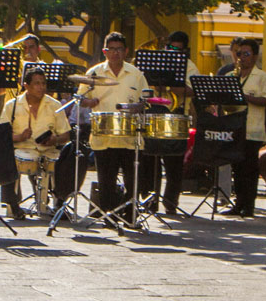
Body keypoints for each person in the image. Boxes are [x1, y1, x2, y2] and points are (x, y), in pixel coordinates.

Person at [79, 32, 150, 217]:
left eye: (119, 49)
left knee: (133, 179)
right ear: (105, 51)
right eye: (111, 49)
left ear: (126, 51)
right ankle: (108, 215)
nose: (115, 53)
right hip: (104, 135)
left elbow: (147, 100)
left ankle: (130, 214)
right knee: (106, 180)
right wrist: (89, 102)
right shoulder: (94, 73)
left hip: (130, 135)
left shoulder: (136, 74)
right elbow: (81, 99)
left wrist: (138, 106)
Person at [0, 67, 72, 219]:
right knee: (6, 158)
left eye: (43, 83)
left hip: (48, 150)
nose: (41, 87)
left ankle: (59, 201)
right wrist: (19, 136)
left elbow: (65, 134)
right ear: (26, 86)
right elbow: (0, 134)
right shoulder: (12, 106)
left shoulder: (55, 105)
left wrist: (55, 140)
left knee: (68, 158)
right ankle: (13, 203)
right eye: (37, 84)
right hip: (22, 148)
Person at [224, 38, 266, 218]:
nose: (242, 58)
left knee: (249, 170)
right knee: (237, 169)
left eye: (246, 54)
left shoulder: (262, 77)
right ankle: (238, 204)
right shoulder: (232, 76)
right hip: (235, 128)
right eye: (239, 54)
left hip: (253, 130)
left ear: (255, 56)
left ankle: (249, 206)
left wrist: (244, 97)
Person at [159, 30, 201, 215]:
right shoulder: (157, 61)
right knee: (150, 159)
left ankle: (170, 202)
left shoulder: (190, 66)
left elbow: (192, 90)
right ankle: (148, 199)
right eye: (170, 48)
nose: (173, 52)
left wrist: (170, 85)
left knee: (174, 164)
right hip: (157, 113)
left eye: (178, 49)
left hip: (178, 115)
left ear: (185, 50)